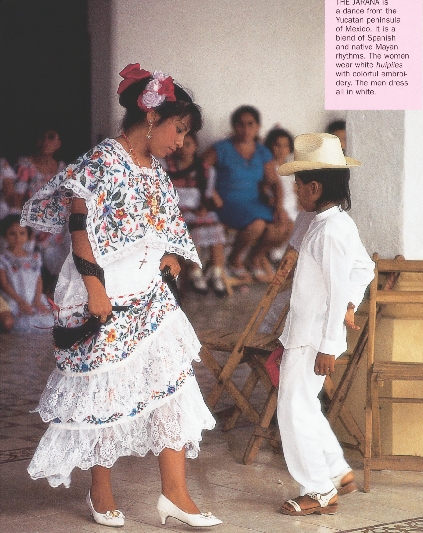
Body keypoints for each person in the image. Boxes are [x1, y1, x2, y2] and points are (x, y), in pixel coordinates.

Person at [21, 64, 222, 528]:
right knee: (104, 391)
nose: (180, 141)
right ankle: (100, 489)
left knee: (171, 385)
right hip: (104, 294)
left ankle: (176, 494)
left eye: (185, 133)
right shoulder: (100, 162)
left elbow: (169, 226)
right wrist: (94, 290)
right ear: (151, 118)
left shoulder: (157, 171)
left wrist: (173, 255)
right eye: (178, 128)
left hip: (150, 293)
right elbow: (80, 232)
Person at [276, 133, 374, 516]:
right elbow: (363, 269)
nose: (296, 191)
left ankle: (318, 490)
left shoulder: (330, 232)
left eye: (298, 184)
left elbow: (335, 292)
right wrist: (352, 301)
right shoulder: (330, 223)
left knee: (292, 410)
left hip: (313, 338)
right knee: (302, 405)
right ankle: (335, 470)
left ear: (314, 187)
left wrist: (329, 346)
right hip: (310, 334)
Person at [202, 106, 291, 283]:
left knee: (285, 225)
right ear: (234, 126)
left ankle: (255, 258)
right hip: (227, 203)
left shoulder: (261, 152)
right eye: (241, 124)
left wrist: (279, 207)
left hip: (254, 202)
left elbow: (274, 183)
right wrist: (210, 193)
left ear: (258, 127)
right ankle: (234, 260)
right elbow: (200, 170)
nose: (246, 129)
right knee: (257, 225)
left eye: (251, 124)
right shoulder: (221, 148)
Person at [164, 132, 227, 296]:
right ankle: (195, 272)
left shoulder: (205, 170)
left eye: (188, 144)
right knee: (194, 230)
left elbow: (207, 194)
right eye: (180, 145)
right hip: (176, 212)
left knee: (215, 226)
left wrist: (204, 208)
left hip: (197, 210)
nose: (183, 149)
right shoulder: (167, 167)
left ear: (196, 147)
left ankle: (217, 273)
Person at [15, 126, 70, 296]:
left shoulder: (63, 168)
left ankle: (55, 291)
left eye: (51, 137)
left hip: (58, 220)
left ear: (59, 143)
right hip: (33, 219)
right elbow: (17, 196)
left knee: (72, 237)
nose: (46, 141)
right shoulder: (26, 164)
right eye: (42, 137)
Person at [0, 214, 53, 332]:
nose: (17, 237)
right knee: (20, 322)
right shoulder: (3, 259)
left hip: (33, 297)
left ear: (28, 235)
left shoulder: (34, 257)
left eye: (22, 233)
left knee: (44, 319)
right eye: (12, 233)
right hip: (15, 297)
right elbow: (5, 284)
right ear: (4, 234)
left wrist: (38, 299)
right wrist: (20, 301)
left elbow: (38, 280)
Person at [264, 127, 297, 263]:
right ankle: (276, 255)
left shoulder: (291, 168)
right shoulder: (269, 166)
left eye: (285, 146)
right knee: (287, 224)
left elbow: (296, 189)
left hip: (292, 205)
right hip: (278, 206)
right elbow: (266, 188)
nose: (281, 149)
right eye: (277, 145)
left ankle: (285, 255)